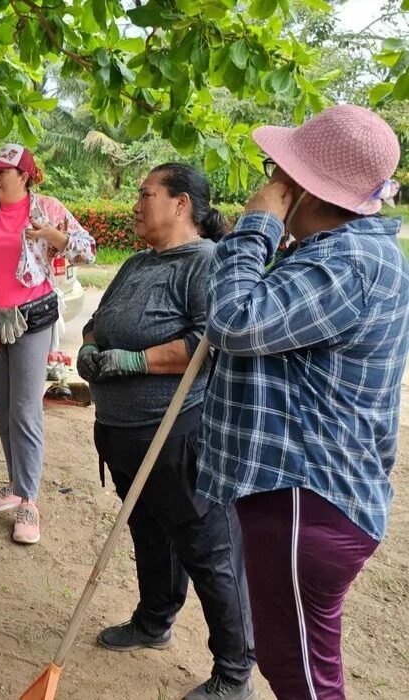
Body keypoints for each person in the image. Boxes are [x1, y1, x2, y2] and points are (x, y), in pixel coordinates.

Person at [198, 105, 408, 699]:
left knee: (303, 678)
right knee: (296, 665)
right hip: (308, 497)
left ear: (304, 187)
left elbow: (233, 321)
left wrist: (256, 227)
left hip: (305, 497)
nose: (269, 182)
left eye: (278, 171)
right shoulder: (335, 253)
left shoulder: (348, 263)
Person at [79, 163, 255, 699]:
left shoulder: (206, 263)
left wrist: (135, 361)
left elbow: (209, 342)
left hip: (176, 435)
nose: (135, 204)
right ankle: (154, 620)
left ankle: (235, 673)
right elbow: (98, 321)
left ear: (181, 204)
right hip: (123, 434)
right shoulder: (137, 263)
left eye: (146, 194)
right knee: (150, 532)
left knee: (208, 550)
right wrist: (90, 348)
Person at [0, 143, 95, 544]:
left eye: (3, 172)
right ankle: (16, 485)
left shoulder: (48, 209)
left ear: (24, 177)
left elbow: (88, 250)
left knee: (25, 410)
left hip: (32, 321)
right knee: (4, 408)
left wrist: (53, 236)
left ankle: (29, 501)